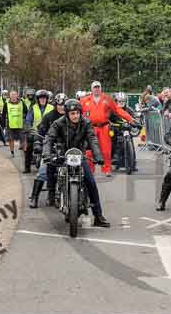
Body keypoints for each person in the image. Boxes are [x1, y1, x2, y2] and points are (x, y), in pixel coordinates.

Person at [42, 99, 110, 227]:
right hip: (63, 154)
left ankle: (98, 216)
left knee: (90, 182)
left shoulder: (86, 123)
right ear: (67, 114)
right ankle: (54, 194)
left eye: (77, 113)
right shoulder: (58, 123)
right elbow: (49, 138)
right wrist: (46, 154)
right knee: (54, 172)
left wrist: (98, 156)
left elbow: (92, 139)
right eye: (72, 113)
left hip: (80, 155)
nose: (75, 116)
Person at [80, 81, 136, 177]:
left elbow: (118, 110)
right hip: (91, 128)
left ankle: (107, 170)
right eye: (95, 87)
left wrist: (130, 119)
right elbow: (77, 111)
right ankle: (90, 171)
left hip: (104, 127)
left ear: (101, 88)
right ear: (91, 89)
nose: (96, 89)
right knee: (89, 150)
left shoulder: (107, 99)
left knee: (106, 150)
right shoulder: (85, 101)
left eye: (98, 87)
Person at [30, 93, 67, 208]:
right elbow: (40, 131)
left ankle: (78, 198)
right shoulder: (49, 116)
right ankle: (34, 198)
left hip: (67, 149)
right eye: (59, 104)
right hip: (51, 148)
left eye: (63, 104)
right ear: (55, 104)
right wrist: (37, 143)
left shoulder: (71, 116)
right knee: (42, 171)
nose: (61, 107)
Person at [24, 90, 52, 173]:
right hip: (35, 132)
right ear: (38, 99)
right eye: (41, 98)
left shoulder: (52, 107)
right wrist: (28, 128)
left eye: (44, 98)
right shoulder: (33, 108)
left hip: (49, 133)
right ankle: (27, 167)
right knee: (28, 147)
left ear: (47, 99)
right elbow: (28, 120)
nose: (43, 100)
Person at [0, 90, 29, 158]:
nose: (13, 96)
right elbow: (3, 115)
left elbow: (27, 112)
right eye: (12, 95)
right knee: (11, 139)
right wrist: (3, 124)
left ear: (17, 95)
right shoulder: (6, 103)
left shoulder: (22, 102)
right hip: (10, 124)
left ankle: (25, 153)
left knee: (23, 139)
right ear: (9, 96)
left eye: (14, 94)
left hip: (20, 124)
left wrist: (27, 120)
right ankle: (12, 153)